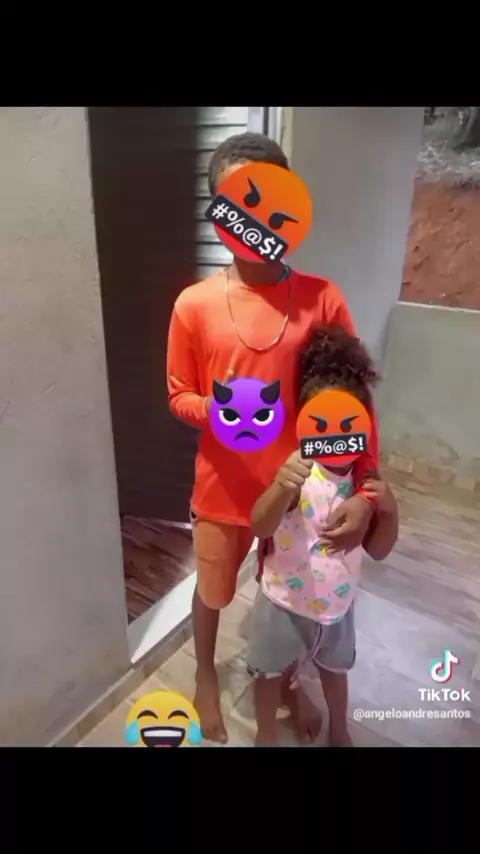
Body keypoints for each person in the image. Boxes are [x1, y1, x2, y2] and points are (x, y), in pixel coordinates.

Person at [167, 132, 381, 744]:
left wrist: (367, 488)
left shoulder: (321, 297)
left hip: (301, 496)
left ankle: (286, 681)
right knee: (212, 591)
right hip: (222, 488)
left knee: (290, 597)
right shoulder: (194, 305)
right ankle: (205, 675)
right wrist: (221, 411)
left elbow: (355, 401)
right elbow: (178, 393)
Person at [247, 325, 399, 746]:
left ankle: (340, 728)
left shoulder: (364, 486)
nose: (337, 436)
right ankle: (265, 733)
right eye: (324, 425)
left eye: (349, 425)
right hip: (282, 602)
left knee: (336, 671)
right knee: (268, 673)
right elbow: (259, 526)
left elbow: (380, 550)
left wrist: (389, 508)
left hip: (337, 608)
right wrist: (281, 487)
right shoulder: (297, 473)